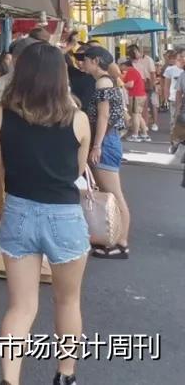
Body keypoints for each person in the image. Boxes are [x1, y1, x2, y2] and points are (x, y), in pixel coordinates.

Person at [0, 42, 91, 385]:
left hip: (19, 212)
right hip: (65, 216)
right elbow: (77, 170)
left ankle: (9, 381)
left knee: (21, 307)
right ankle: (65, 376)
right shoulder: (79, 120)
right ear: (62, 78)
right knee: (68, 301)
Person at [78, 45, 131, 259]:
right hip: (110, 140)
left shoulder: (102, 82)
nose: (82, 63)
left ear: (96, 61)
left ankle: (121, 241)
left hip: (106, 141)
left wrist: (97, 145)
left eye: (86, 59)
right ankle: (116, 240)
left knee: (114, 194)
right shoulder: (108, 80)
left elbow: (103, 116)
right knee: (111, 193)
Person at [121, 59, 150, 142]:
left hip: (135, 95)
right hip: (140, 95)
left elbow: (130, 84)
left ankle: (135, 135)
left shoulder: (130, 71)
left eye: (121, 65)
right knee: (138, 115)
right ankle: (144, 134)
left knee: (135, 115)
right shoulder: (133, 71)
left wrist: (122, 84)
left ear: (124, 65)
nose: (120, 67)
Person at [161, 50, 183, 132]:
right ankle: (174, 135)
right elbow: (166, 85)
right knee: (174, 117)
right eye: (179, 57)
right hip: (174, 98)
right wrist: (166, 98)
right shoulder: (170, 69)